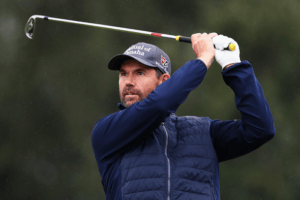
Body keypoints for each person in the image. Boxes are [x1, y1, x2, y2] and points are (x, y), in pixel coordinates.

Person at [91, 33, 275, 200]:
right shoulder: (108, 131)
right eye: (124, 74)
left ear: (164, 81)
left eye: (140, 73)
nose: (128, 82)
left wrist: (234, 66)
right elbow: (158, 106)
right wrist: (202, 60)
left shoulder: (204, 132)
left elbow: (259, 129)